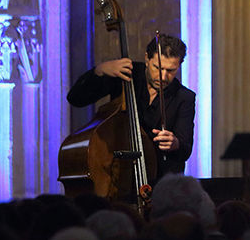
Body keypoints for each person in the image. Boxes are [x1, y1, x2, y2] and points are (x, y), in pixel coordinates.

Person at [67, 33, 195, 178]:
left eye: (171, 71)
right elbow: (76, 99)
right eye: (157, 68)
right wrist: (99, 70)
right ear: (147, 58)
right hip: (117, 171)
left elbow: (185, 148)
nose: (163, 77)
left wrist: (176, 143)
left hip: (160, 180)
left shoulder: (184, 97)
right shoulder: (126, 74)